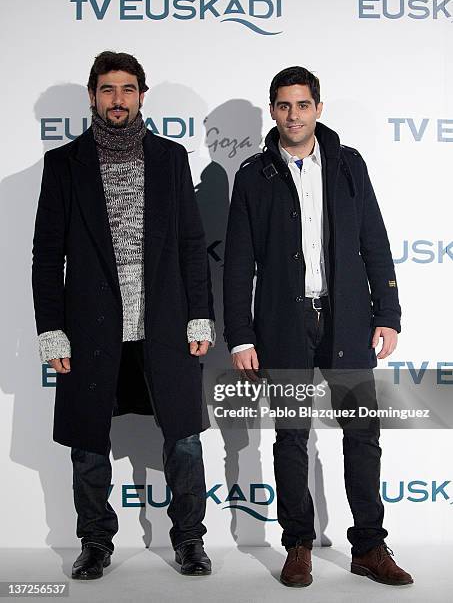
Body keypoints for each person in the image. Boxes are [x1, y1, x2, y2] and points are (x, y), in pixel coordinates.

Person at [223, 66, 413, 587]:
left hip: (346, 320)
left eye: (302, 105)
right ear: (273, 111)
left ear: (318, 109)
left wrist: (388, 314)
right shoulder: (253, 175)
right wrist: (240, 333)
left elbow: (374, 240)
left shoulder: (349, 166)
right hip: (284, 324)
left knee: (362, 434)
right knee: (290, 436)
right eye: (283, 106)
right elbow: (239, 263)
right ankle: (298, 544)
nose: (293, 115)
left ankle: (370, 548)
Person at [32, 51, 215, 580]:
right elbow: (47, 256)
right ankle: (94, 541)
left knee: (182, 436)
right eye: (108, 90)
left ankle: (190, 540)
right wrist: (52, 332)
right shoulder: (64, 164)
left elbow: (190, 244)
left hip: (165, 321)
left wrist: (199, 316)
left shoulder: (169, 158)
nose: (118, 100)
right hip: (90, 326)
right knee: (89, 440)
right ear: (93, 96)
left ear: (141, 96)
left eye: (128, 89)